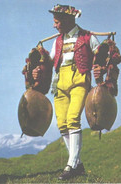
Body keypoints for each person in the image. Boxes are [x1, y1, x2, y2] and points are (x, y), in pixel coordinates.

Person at [33, 4, 100, 180]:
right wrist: (38, 66)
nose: (54, 25)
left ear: (66, 19)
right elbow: (50, 61)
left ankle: (71, 165)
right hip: (60, 81)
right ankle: (77, 165)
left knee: (72, 119)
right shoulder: (58, 41)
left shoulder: (88, 37)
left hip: (79, 80)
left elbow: (100, 55)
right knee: (62, 123)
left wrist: (100, 70)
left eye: (56, 22)